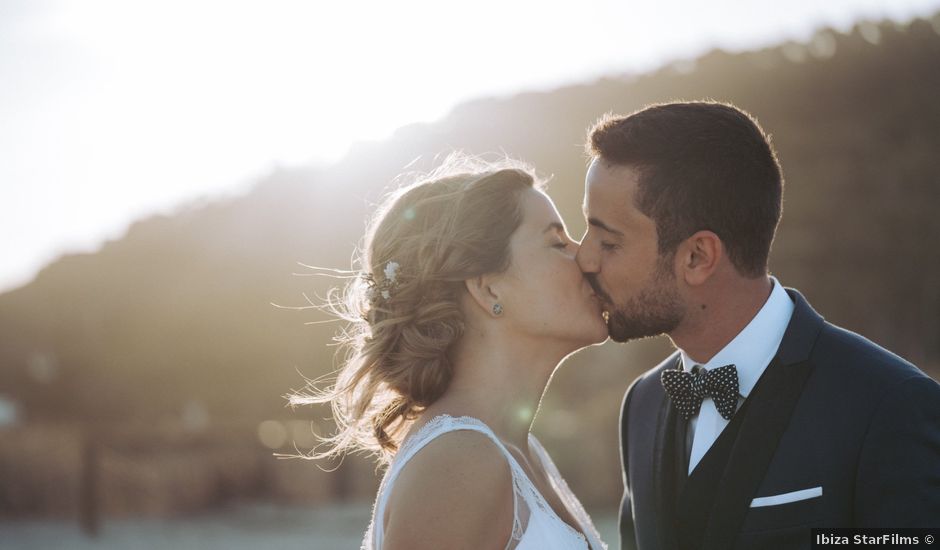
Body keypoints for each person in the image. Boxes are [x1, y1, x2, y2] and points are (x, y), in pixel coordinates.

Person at [576, 101, 940, 550]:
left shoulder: (889, 405)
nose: (584, 258)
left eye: (608, 241)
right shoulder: (642, 404)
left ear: (697, 257)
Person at [293, 156, 609, 549]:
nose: (585, 258)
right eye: (557, 242)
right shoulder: (461, 462)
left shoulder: (518, 451)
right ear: (488, 288)